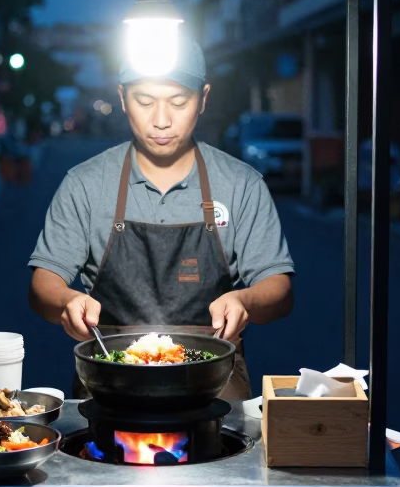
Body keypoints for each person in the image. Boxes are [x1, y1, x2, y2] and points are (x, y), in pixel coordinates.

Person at [28, 36, 294, 399]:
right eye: (145, 101)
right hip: (110, 377)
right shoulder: (86, 183)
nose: (162, 120)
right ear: (122, 98)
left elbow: (279, 288)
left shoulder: (241, 183)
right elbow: (43, 283)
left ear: (203, 99)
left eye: (179, 101)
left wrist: (245, 301)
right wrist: (66, 301)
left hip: (215, 378)